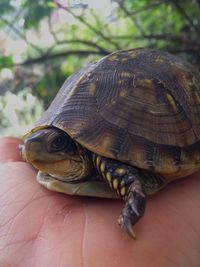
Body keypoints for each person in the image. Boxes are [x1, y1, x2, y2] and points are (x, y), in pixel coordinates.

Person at [0, 137, 200, 267]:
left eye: (57, 144)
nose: (32, 151)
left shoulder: (96, 155)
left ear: (78, 147)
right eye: (29, 147)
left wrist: (132, 195)